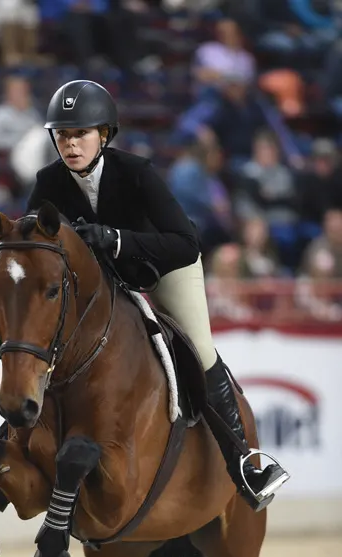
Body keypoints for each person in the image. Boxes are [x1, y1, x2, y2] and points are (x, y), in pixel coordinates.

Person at [26, 80, 289, 511]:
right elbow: (32, 241)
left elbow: (186, 242)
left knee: (199, 349)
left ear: (104, 135)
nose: (70, 145)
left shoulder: (136, 172)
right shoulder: (48, 181)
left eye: (81, 134)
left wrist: (114, 239)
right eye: (63, 136)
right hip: (104, 285)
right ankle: (6, 444)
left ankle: (246, 466)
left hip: (163, 269)